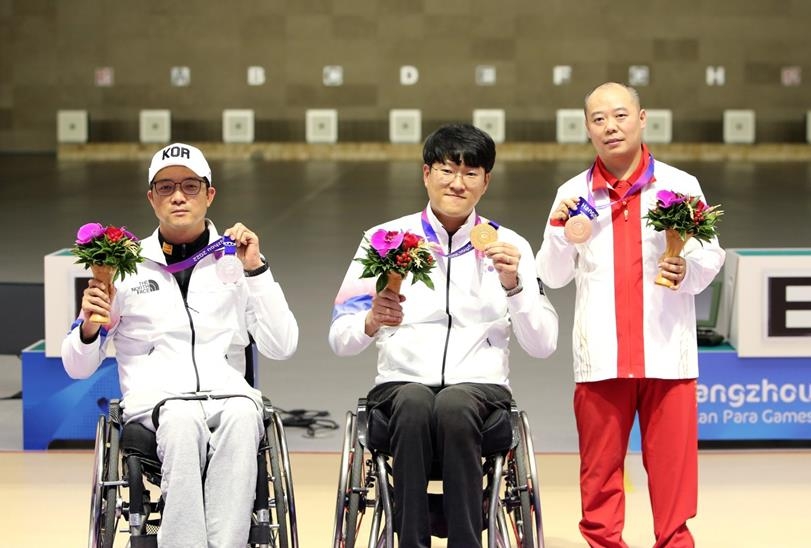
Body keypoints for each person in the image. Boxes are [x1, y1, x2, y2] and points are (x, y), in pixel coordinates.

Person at [329, 123, 558, 547]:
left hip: (480, 390)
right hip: (400, 386)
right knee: (416, 401)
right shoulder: (384, 241)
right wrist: (371, 321)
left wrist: (516, 287)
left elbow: (543, 345)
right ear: (426, 174)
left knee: (453, 403)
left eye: (471, 173)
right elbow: (340, 338)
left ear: (486, 181)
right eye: (447, 170)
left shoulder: (511, 246)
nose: (457, 183)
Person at [61, 142, 299, 548]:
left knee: (246, 415)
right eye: (166, 186)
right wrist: (87, 327)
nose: (178, 195)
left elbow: (283, 345)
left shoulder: (237, 260)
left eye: (190, 186)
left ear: (210, 195)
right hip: (159, 404)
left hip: (228, 396)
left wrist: (256, 271)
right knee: (182, 422)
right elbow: (78, 367)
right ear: (151, 197)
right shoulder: (124, 267)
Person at [536, 83, 726, 548]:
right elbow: (552, 275)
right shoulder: (572, 193)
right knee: (599, 476)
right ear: (587, 129)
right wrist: (562, 233)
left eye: (620, 115)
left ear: (642, 119)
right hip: (600, 358)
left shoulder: (680, 187)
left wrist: (688, 268)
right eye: (598, 119)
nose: (610, 126)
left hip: (667, 355)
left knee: (673, 477)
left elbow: (711, 254)